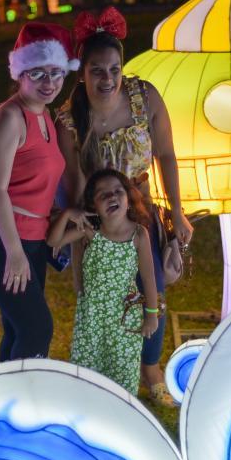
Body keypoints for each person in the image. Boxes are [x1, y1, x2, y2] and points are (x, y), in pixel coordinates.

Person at [56, 6, 193, 408]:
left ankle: (151, 369)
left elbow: (166, 154)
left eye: (114, 69)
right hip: (101, 216)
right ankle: (109, 365)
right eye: (97, 70)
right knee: (105, 293)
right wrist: (84, 237)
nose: (108, 79)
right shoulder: (70, 120)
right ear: (82, 73)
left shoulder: (143, 97)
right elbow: (75, 185)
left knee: (153, 285)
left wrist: (178, 211)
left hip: (142, 208)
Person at [0, 22, 79, 361]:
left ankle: (4, 391)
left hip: (32, 238)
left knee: (18, 329)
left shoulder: (45, 116)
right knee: (37, 328)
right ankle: (24, 391)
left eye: (57, 73)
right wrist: (14, 253)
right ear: (20, 73)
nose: (49, 83)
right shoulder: (8, 119)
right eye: (38, 73)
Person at [47, 169, 159, 394]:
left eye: (118, 191)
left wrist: (152, 314)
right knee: (86, 373)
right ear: (93, 206)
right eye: (103, 195)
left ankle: (121, 409)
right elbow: (53, 241)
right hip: (92, 317)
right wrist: (68, 214)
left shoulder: (139, 235)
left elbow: (148, 277)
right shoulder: (90, 231)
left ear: (129, 198)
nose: (112, 196)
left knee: (123, 372)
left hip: (125, 318)